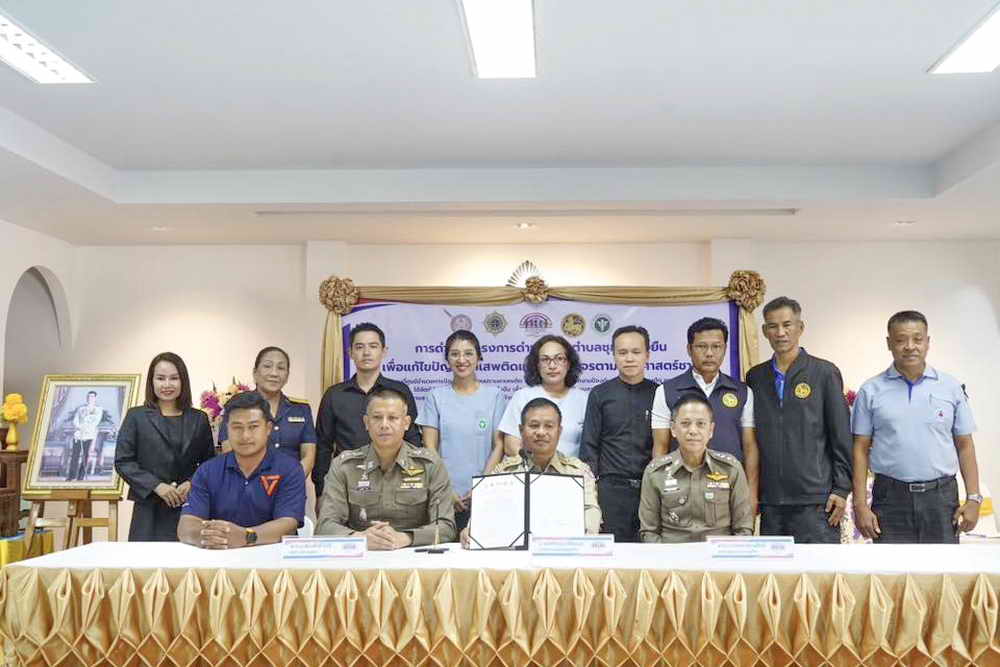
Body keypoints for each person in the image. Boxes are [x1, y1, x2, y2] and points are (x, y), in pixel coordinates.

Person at [851, 310, 982, 543]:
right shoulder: (871, 390)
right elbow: (860, 449)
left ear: (928, 342)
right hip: (890, 498)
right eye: (901, 340)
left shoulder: (950, 387)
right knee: (891, 566)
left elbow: (964, 445)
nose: (910, 346)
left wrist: (974, 498)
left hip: (941, 499)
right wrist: (860, 505)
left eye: (917, 339)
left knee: (943, 565)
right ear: (889, 343)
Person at [745, 297, 852, 544]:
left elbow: (841, 435)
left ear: (800, 328)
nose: (780, 332)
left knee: (820, 568)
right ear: (765, 331)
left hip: (816, 501)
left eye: (787, 325)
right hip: (772, 502)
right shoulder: (756, 377)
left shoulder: (824, 372)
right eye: (773, 326)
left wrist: (841, 488)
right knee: (774, 569)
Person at [316, 388, 456, 549]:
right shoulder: (344, 466)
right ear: (366, 423)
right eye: (377, 418)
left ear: (406, 423)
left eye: (393, 418)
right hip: (362, 555)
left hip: (412, 555)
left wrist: (406, 538)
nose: (384, 425)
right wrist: (360, 538)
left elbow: (446, 527)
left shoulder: (429, 465)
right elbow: (324, 526)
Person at [462, 397, 602, 547]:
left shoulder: (578, 471)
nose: (541, 432)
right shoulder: (504, 472)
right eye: (534, 425)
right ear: (521, 430)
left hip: (564, 551)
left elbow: (590, 511)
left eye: (549, 426)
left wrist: (586, 537)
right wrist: (471, 530)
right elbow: (484, 514)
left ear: (559, 431)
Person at [653, 317, 759, 509]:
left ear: (725, 349)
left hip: (729, 491)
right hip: (680, 492)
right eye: (701, 346)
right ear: (689, 349)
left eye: (716, 347)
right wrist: (659, 492)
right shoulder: (666, 391)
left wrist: (751, 495)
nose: (709, 353)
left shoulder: (742, 392)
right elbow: (660, 447)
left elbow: (750, 447)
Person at [178, 392, 305, 548]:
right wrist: (212, 536)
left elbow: (288, 524)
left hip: (273, 558)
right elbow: (186, 526)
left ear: (268, 428)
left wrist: (247, 536)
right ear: (227, 429)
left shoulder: (290, 468)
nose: (245, 435)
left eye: (253, 427)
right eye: (237, 427)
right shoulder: (207, 471)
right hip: (222, 556)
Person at [115, 352, 216, 541]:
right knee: (146, 559)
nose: (167, 384)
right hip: (149, 507)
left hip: (189, 505)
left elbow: (209, 462)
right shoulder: (136, 417)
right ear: (151, 381)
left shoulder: (199, 419)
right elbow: (123, 462)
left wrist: (191, 483)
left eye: (174, 378)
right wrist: (157, 486)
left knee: (188, 557)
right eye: (161, 378)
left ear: (183, 381)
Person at [314, 322, 422, 498]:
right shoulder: (335, 395)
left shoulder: (400, 391)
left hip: (394, 483)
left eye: (373, 346)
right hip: (346, 484)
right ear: (350, 353)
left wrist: (413, 483)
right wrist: (321, 492)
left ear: (384, 351)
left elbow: (413, 440)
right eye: (359, 347)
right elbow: (323, 446)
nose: (366, 352)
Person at [417, 330, 506, 533]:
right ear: (447, 359)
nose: (462, 360)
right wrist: (446, 488)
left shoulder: (495, 396)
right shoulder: (435, 397)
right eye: (455, 354)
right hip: (443, 492)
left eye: (468, 353)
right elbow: (429, 447)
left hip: (486, 492)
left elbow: (499, 445)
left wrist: (482, 486)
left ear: (479, 358)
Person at [579, 325, 657, 543]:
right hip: (610, 492)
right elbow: (589, 446)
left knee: (649, 552)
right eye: (622, 352)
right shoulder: (600, 394)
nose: (629, 358)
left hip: (650, 490)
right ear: (613, 355)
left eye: (636, 352)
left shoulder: (659, 394)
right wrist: (591, 493)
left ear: (647, 355)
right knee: (611, 554)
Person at [639, 394, 753, 542]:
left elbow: (743, 529)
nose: (693, 430)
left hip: (718, 554)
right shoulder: (655, 473)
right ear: (673, 429)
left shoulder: (731, 469)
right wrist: (666, 556)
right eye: (685, 423)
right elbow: (649, 532)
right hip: (672, 554)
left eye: (701, 424)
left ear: (711, 430)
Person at [219, 347, 317, 510]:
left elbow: (309, 454)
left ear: (287, 375)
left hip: (289, 494)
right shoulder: (236, 406)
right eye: (267, 366)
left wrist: (290, 482)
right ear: (255, 373)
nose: (274, 373)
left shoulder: (300, 409)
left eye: (281, 368)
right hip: (247, 493)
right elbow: (229, 450)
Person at [498, 335, 589, 458]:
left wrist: (563, 467)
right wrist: (539, 466)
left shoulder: (584, 399)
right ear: (537, 365)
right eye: (545, 359)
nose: (552, 365)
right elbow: (510, 445)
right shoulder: (522, 396)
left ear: (568, 364)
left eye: (559, 358)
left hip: (573, 469)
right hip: (530, 468)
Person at [67, 390, 105, 481]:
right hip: (78, 435)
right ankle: (71, 476)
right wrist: (79, 426)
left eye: (92, 396)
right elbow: (75, 420)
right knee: (75, 456)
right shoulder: (81, 409)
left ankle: (81, 477)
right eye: (88, 396)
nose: (89, 398)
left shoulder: (98, 410)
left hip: (89, 435)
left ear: (95, 398)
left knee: (85, 456)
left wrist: (85, 426)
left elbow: (95, 422)